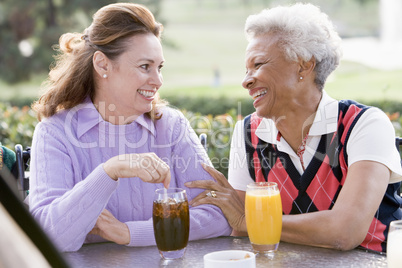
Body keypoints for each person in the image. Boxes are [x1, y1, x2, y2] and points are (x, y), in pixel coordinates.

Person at [185, 3, 402, 253]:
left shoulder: (364, 124)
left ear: (303, 66)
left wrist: (250, 222)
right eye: (246, 70)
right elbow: (241, 232)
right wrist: (243, 222)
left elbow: (344, 231)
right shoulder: (247, 133)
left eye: (258, 64)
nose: (246, 81)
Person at [29, 3, 231, 252]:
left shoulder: (171, 125)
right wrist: (110, 171)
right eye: (145, 66)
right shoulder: (56, 133)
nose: (158, 81)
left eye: (160, 67)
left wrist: (129, 233)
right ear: (102, 65)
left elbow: (219, 213)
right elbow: (49, 236)